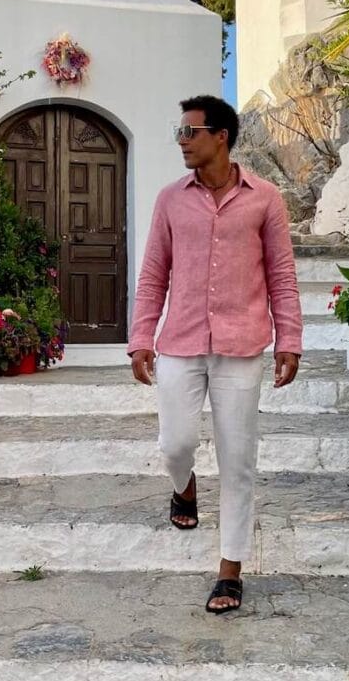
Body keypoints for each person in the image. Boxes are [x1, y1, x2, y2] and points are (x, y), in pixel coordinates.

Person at [127, 94, 303, 614]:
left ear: (220, 136)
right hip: (180, 340)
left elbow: (282, 277)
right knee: (174, 442)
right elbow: (154, 272)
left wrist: (288, 339)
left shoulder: (265, 199)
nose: (181, 141)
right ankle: (183, 488)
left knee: (238, 459)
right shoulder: (169, 200)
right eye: (178, 133)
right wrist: (141, 336)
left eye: (189, 132)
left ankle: (230, 569)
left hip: (242, 344)